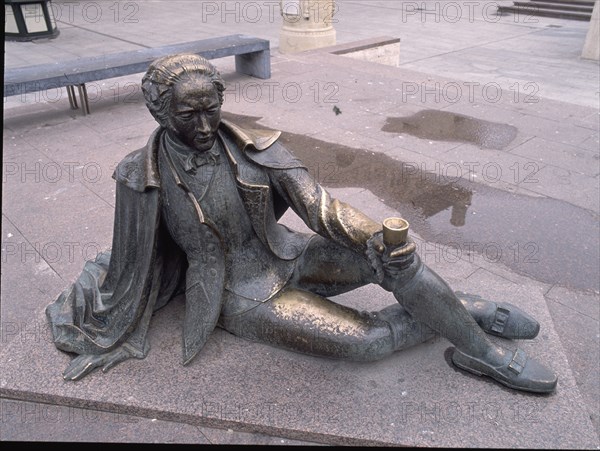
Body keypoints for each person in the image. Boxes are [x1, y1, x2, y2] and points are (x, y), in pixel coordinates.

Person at [46, 54, 557, 393]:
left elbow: (320, 206)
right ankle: (463, 311)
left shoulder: (255, 145)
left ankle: (481, 353)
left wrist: (375, 235)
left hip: (291, 253)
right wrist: (107, 309)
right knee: (366, 342)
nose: (204, 126)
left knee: (392, 258)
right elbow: (133, 257)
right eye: (187, 115)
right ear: (159, 111)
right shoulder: (139, 176)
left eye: (211, 109)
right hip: (241, 293)